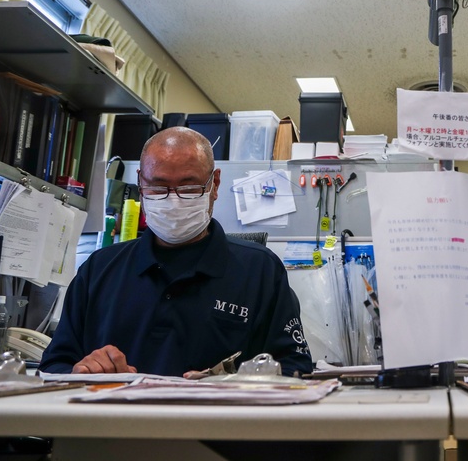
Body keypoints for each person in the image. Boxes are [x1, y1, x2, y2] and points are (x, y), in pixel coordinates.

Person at [40, 127, 311, 377]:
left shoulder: (260, 270)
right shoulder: (99, 269)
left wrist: (230, 385)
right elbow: (54, 366)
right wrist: (82, 371)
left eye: (189, 187)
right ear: (141, 183)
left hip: (214, 427)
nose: (173, 201)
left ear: (214, 185)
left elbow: (295, 368)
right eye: (158, 188)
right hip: (115, 425)